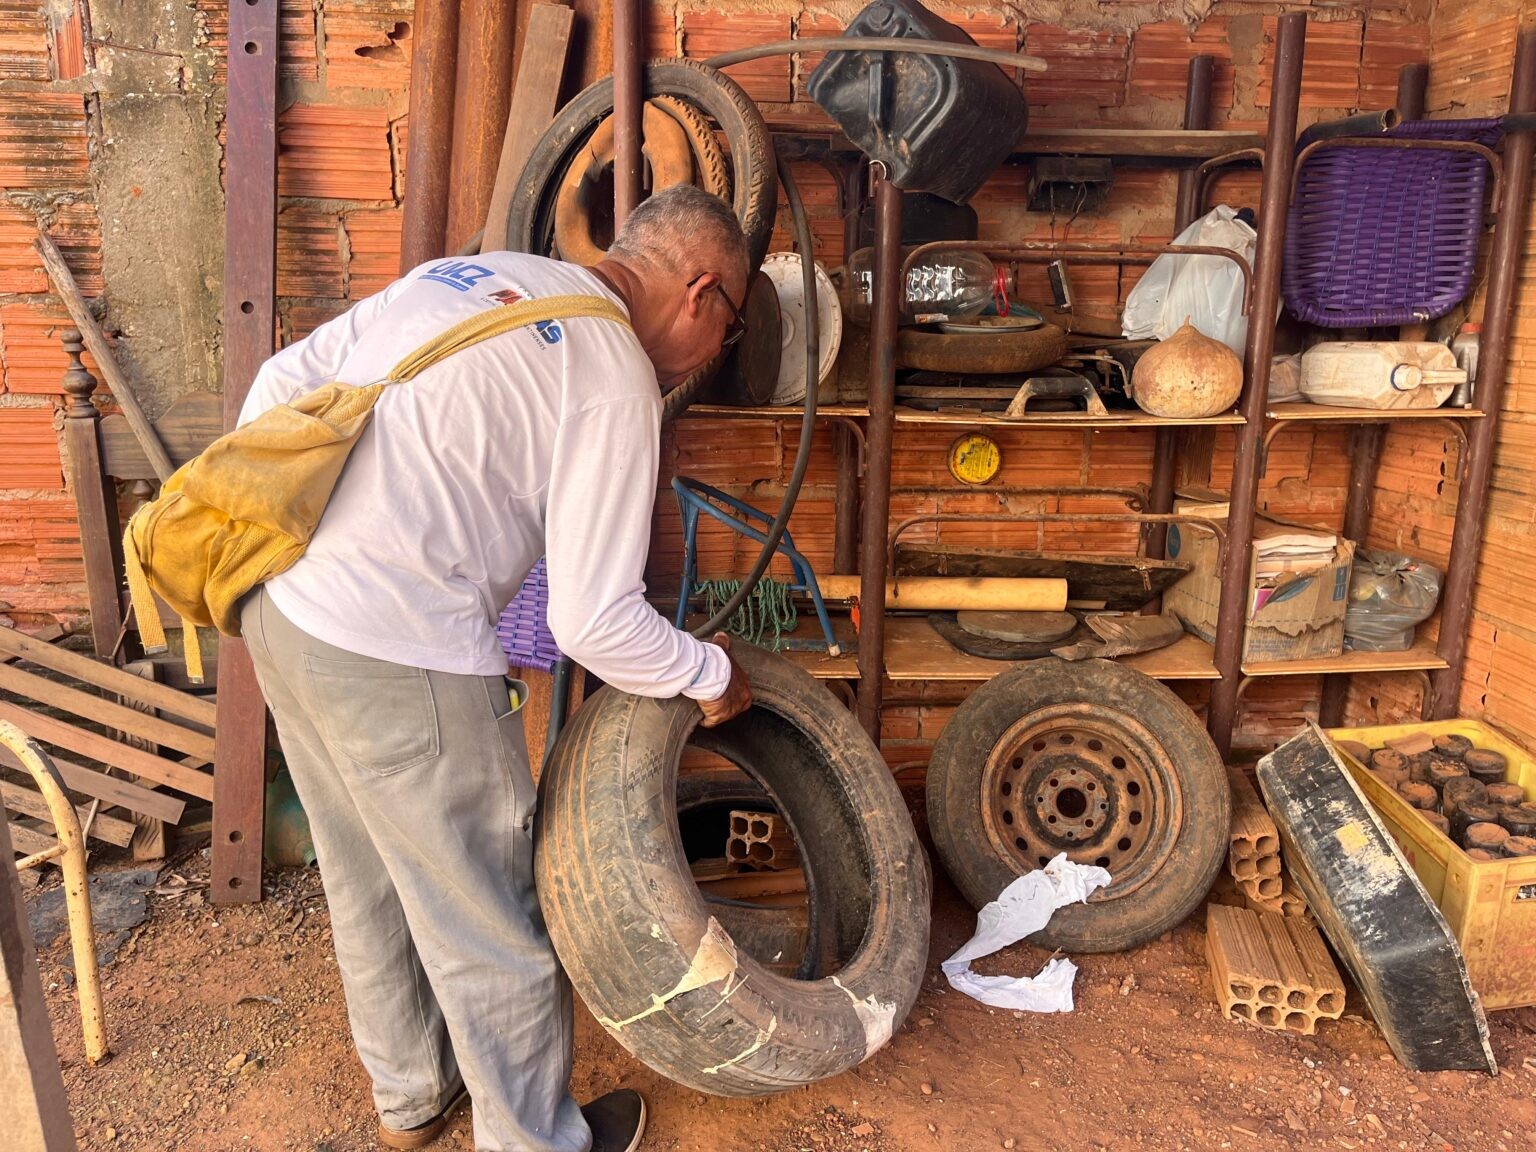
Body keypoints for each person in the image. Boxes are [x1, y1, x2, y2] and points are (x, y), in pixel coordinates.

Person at [234, 184, 754, 1152]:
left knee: (366, 874)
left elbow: (275, 384)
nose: (711, 357)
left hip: (282, 606)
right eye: (728, 331)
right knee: (487, 912)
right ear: (700, 294)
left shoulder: (476, 276)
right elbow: (595, 620)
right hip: (399, 645)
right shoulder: (610, 369)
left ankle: (414, 1098)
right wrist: (707, 673)